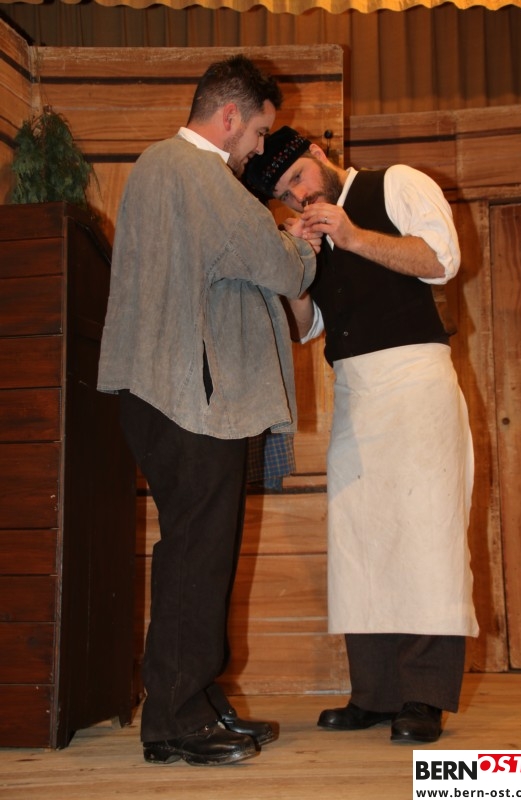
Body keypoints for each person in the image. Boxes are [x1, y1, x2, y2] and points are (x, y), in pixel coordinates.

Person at [97, 63, 316, 766]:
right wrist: (302, 241)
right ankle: (177, 720)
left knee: (191, 550)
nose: (259, 147)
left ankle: (190, 700)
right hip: (190, 398)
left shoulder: (154, 168)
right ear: (228, 118)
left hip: (162, 394)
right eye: (258, 131)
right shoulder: (200, 173)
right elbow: (280, 268)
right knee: (199, 555)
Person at [244, 126, 479, 744]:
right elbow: (306, 327)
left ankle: (424, 697)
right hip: (355, 391)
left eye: (299, 178)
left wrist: (350, 235)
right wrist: (295, 270)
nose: (298, 197)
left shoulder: (395, 184)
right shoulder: (309, 231)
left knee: (427, 536)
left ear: (320, 156)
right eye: (285, 195)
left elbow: (442, 260)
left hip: (417, 380)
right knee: (361, 540)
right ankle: (374, 695)